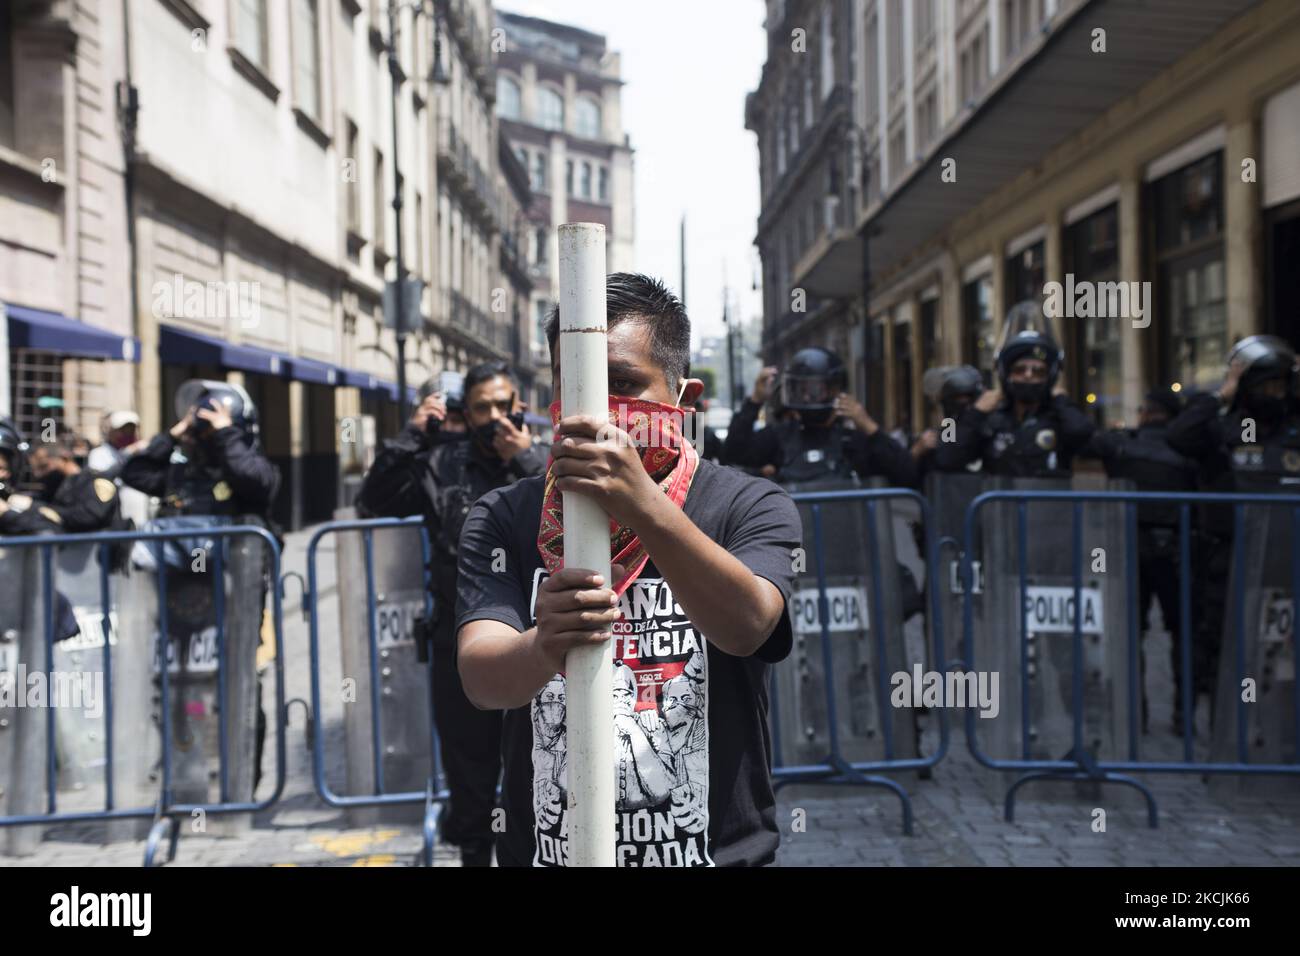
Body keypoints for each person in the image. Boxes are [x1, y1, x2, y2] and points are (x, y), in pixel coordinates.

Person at [455, 272, 802, 867]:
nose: (598, 408)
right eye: (577, 384)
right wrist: (541, 648)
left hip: (713, 853)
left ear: (682, 398)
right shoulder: (504, 516)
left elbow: (748, 627)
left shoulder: (749, 505)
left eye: (622, 383)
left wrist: (639, 502)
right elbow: (482, 682)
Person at [357, 360, 544, 867]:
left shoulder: (544, 461)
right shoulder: (443, 463)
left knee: (541, 764)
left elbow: (574, 511)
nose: (493, 417)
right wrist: (413, 435)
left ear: (519, 406)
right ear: (467, 410)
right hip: (462, 637)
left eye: (502, 405)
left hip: (541, 641)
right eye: (481, 407)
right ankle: (475, 852)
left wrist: (526, 460)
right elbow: (372, 501)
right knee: (470, 770)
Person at [121, 380, 280, 788]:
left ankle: (242, 778)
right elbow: (134, 471)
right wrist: (174, 434)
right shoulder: (179, 465)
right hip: (181, 599)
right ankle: (187, 775)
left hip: (234, 599)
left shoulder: (247, 464)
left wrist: (226, 433)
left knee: (239, 682)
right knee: (182, 686)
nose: (204, 432)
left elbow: (257, 481)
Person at [1167, 334, 1300, 729]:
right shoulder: (1229, 426)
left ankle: (1278, 730)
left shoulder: (1293, 427)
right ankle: (1224, 732)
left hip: (1286, 557)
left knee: (1281, 647)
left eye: (1279, 385)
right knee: (1221, 644)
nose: (1272, 395)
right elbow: (1180, 436)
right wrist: (1219, 395)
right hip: (1227, 555)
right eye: (1264, 385)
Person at [1086, 386, 1198, 730]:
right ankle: (1184, 716)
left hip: (1129, 547)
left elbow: (1083, 436)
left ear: (1145, 413)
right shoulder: (1190, 452)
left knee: (1129, 633)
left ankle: (1135, 712)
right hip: (1178, 547)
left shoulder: (1122, 445)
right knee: (1185, 634)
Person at [933, 302, 1094, 476]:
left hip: (1049, 502)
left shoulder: (1059, 416)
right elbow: (946, 457)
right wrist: (975, 413)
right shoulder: (991, 418)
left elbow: (1084, 435)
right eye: (1019, 370)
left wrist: (1064, 403)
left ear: (1050, 376)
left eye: (1038, 371)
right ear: (1007, 374)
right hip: (999, 501)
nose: (1028, 375)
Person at [723, 350, 918, 487]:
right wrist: (755, 401)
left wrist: (869, 427)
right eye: (802, 390)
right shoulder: (780, 436)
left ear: (836, 389)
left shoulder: (852, 440)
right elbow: (733, 452)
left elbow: (906, 473)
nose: (808, 397)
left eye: (816, 390)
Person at [0, 432, 122, 535]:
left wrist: (36, 507)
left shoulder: (96, 481)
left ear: (64, 458)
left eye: (44, 466)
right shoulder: (57, 487)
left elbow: (88, 517)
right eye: (35, 470)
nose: (38, 474)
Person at [913, 365, 985, 479]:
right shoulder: (949, 425)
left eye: (966, 397)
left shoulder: (986, 424)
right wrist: (916, 452)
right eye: (957, 398)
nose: (962, 402)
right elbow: (946, 456)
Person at [88, 410, 144, 479]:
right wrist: (126, 454)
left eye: (131, 430)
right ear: (111, 431)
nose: (128, 434)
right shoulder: (98, 454)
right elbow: (101, 479)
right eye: (123, 430)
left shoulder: (139, 452)